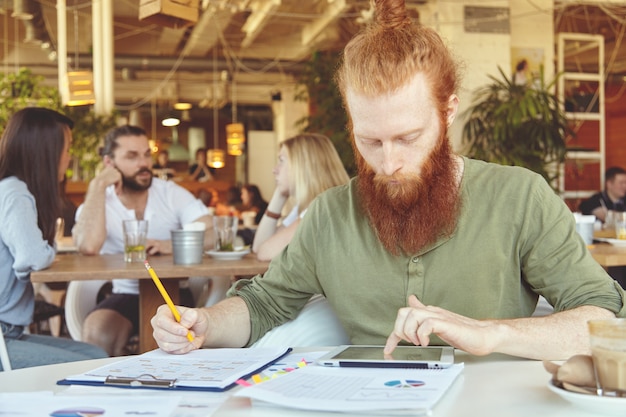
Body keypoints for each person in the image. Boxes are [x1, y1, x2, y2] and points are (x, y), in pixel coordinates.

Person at [151, 0, 625, 361]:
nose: (389, 163)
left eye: (408, 137)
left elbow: (605, 319)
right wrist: (203, 324)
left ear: (448, 112)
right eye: (370, 142)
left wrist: (493, 332)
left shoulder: (519, 196)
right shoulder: (332, 213)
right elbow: (264, 304)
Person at [73, 125, 213, 356]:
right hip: (124, 293)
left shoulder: (169, 192)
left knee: (177, 337)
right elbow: (88, 246)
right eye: (132, 156)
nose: (144, 163)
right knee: (98, 330)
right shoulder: (100, 199)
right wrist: (98, 185)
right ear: (109, 163)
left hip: (175, 293)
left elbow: (211, 233)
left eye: (147, 154)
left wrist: (168, 245)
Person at [0, 107, 107, 370]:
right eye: (67, 148)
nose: (69, 158)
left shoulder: (12, 188)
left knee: (97, 356)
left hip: (10, 332)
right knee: (94, 366)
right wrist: (50, 247)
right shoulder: (15, 193)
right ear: (45, 151)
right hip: (4, 335)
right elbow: (33, 257)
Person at [252, 134, 350, 261]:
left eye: (281, 161)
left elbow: (265, 253)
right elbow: (259, 246)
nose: (274, 170)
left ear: (303, 165)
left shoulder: (321, 208)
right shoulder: (307, 206)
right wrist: (279, 195)